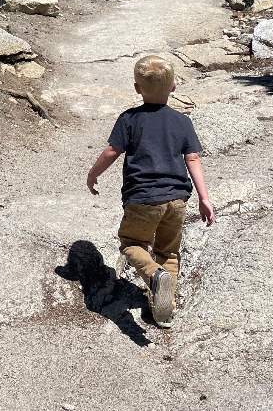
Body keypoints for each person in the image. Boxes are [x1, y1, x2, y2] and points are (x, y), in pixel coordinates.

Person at [85, 55, 215, 328]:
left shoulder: (129, 119)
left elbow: (112, 151)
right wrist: (204, 198)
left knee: (131, 243)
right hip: (177, 199)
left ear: (137, 88)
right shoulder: (182, 122)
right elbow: (192, 159)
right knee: (169, 253)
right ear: (174, 87)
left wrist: (93, 174)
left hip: (142, 199)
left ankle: (155, 276)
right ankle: (163, 313)